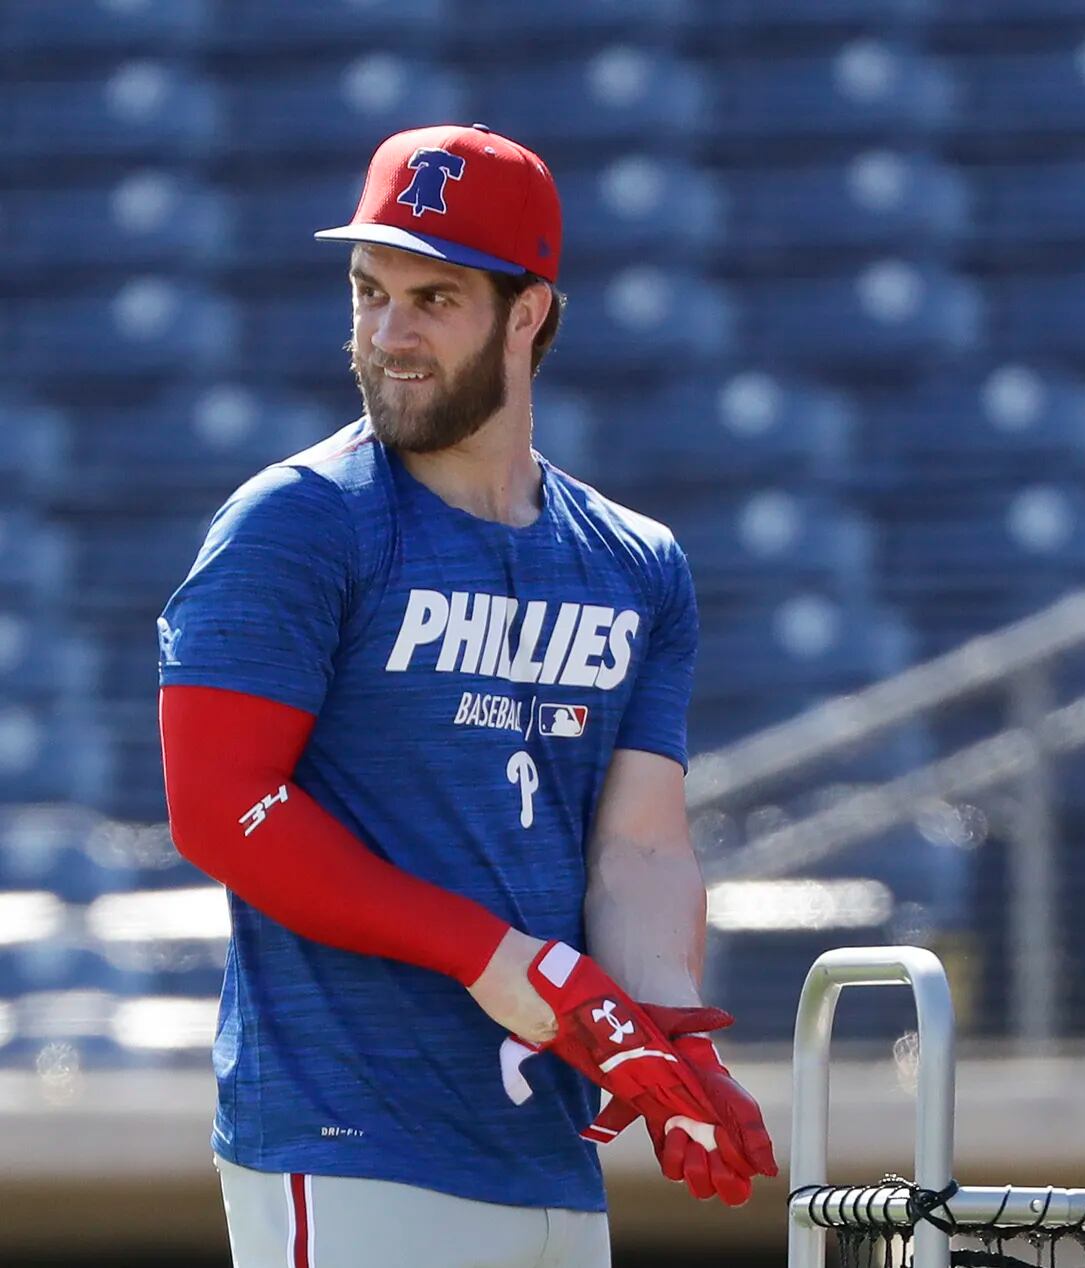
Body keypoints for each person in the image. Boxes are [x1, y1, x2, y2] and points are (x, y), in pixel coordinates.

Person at [157, 123, 775, 1268]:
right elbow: (219, 807)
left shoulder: (638, 562)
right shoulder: (296, 521)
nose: (388, 334)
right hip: (346, 1140)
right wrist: (502, 959)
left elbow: (638, 847)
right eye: (368, 291)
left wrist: (666, 1024)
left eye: (433, 297)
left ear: (528, 313)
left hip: (545, 1152)